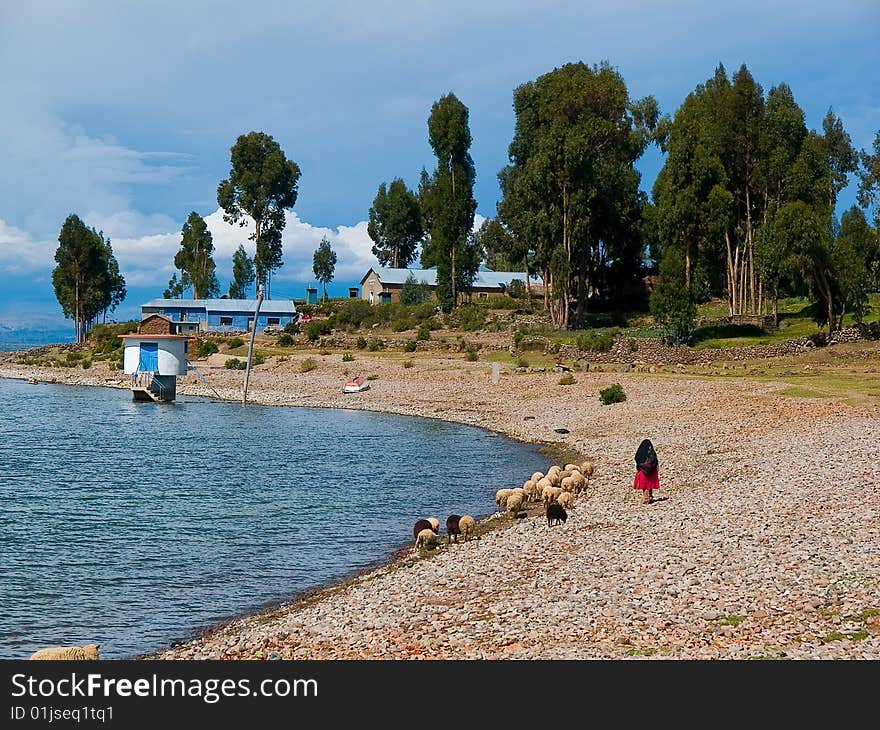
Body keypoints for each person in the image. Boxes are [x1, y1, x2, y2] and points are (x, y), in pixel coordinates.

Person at [633, 438, 659, 504]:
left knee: (644, 486)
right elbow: (655, 462)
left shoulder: (640, 453)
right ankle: (650, 496)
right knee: (649, 485)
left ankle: (646, 498)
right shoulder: (652, 454)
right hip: (652, 472)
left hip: (642, 472)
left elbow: (637, 459)